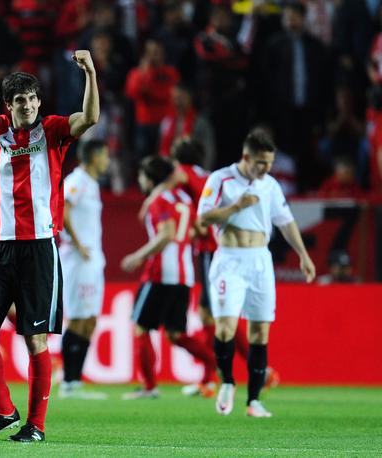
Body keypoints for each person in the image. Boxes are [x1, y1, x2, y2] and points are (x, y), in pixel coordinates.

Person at [0, 40, 98, 442]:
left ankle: (36, 426)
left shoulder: (54, 131)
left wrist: (91, 74)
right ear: (8, 106)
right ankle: (3, 410)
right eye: (18, 100)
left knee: (35, 339)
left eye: (31, 98)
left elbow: (90, 118)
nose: (26, 105)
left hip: (39, 247)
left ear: (38, 102)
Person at [141, 137, 280, 397]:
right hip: (227, 247)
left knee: (212, 315)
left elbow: (172, 184)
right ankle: (219, 375)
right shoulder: (208, 175)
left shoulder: (183, 173)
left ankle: (221, 375)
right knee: (214, 315)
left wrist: (151, 200)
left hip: (210, 249)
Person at [198, 130, 315, 418]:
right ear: (246, 157)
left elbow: (286, 222)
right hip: (229, 260)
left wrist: (303, 255)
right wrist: (236, 206)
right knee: (224, 327)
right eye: (261, 163)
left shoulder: (270, 186)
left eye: (270, 163)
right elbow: (204, 217)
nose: (266, 169)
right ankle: (226, 381)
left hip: (260, 260)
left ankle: (254, 401)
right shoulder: (220, 179)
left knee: (260, 332)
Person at [121, 156, 216, 400]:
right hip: (184, 275)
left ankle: (149, 387)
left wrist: (138, 256)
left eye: (142, 176)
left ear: (150, 179)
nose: (140, 180)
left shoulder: (159, 201)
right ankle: (216, 361)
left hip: (159, 273)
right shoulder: (184, 200)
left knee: (141, 328)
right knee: (175, 334)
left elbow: (166, 234)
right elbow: (199, 230)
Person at [58, 139, 110, 400]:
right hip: (78, 259)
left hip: (92, 259)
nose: (107, 161)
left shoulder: (91, 184)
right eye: (105, 156)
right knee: (78, 317)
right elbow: (62, 210)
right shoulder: (76, 180)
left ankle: (75, 381)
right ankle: (68, 381)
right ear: (93, 157)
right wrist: (78, 244)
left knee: (90, 319)